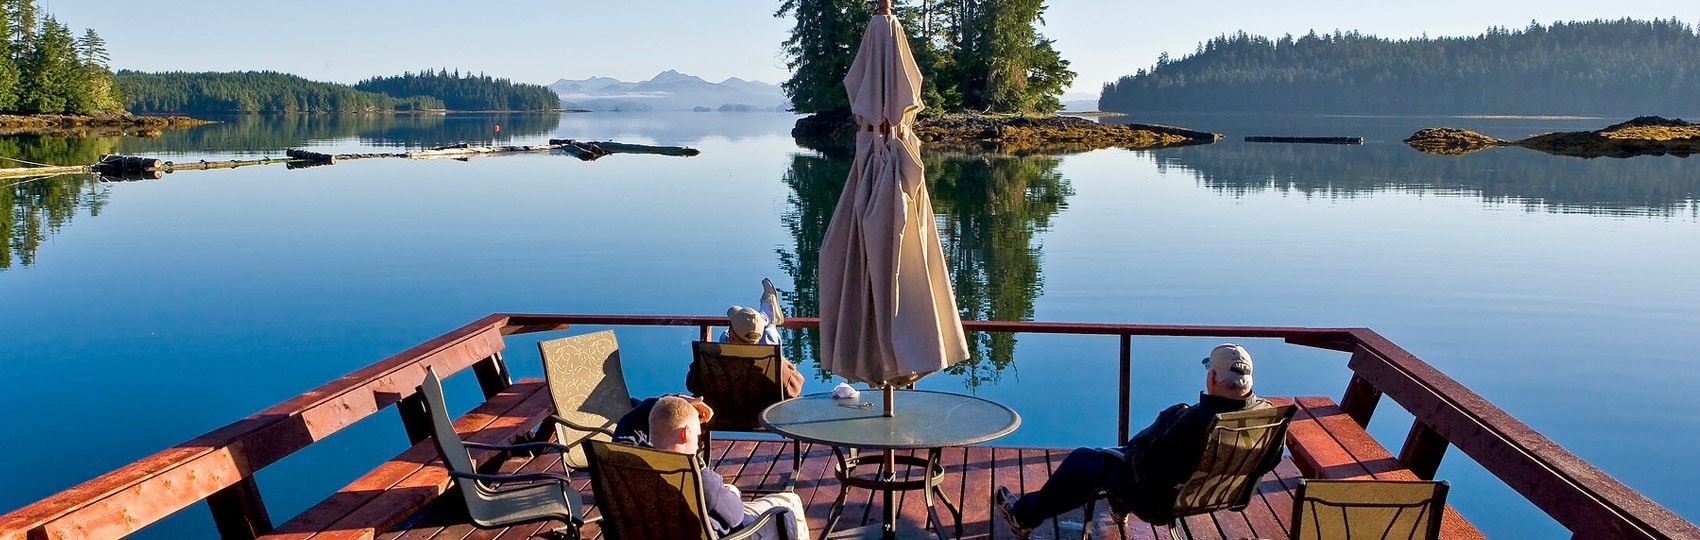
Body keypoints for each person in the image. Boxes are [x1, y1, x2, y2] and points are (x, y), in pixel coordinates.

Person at [994, 344, 1277, 539]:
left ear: (1213, 376)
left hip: (1161, 504)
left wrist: (1163, 423)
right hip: (1219, 495)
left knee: (1085, 460)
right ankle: (1118, 508)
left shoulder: (1196, 421)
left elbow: (1144, 465)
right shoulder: (1268, 416)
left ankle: (1023, 516)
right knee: (1115, 462)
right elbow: (1272, 460)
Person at [634, 395, 810, 540]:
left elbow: (628, 422)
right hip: (735, 532)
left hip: (666, 528)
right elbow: (736, 516)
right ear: (685, 433)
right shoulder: (699, 480)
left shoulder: (633, 468)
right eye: (698, 436)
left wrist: (669, 405)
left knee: (730, 490)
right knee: (789, 502)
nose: (698, 445)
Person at [722, 278, 785, 345]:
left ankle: (765, 317)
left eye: (731, 325)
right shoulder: (769, 339)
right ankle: (766, 317)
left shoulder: (724, 340)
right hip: (763, 349)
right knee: (769, 328)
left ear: (732, 338)